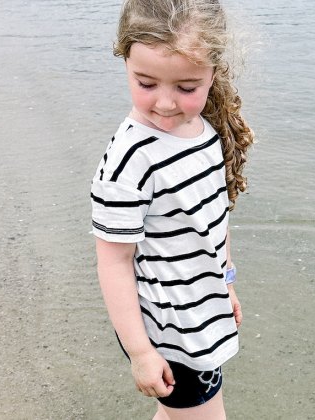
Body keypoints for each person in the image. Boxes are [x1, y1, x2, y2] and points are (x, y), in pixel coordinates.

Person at [90, 0, 254, 418]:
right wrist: (140, 352)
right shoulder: (130, 159)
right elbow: (113, 263)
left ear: (213, 72)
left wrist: (227, 282)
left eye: (186, 88)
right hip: (167, 329)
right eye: (145, 83)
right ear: (124, 60)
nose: (165, 104)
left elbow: (214, 222)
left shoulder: (206, 133)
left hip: (202, 310)